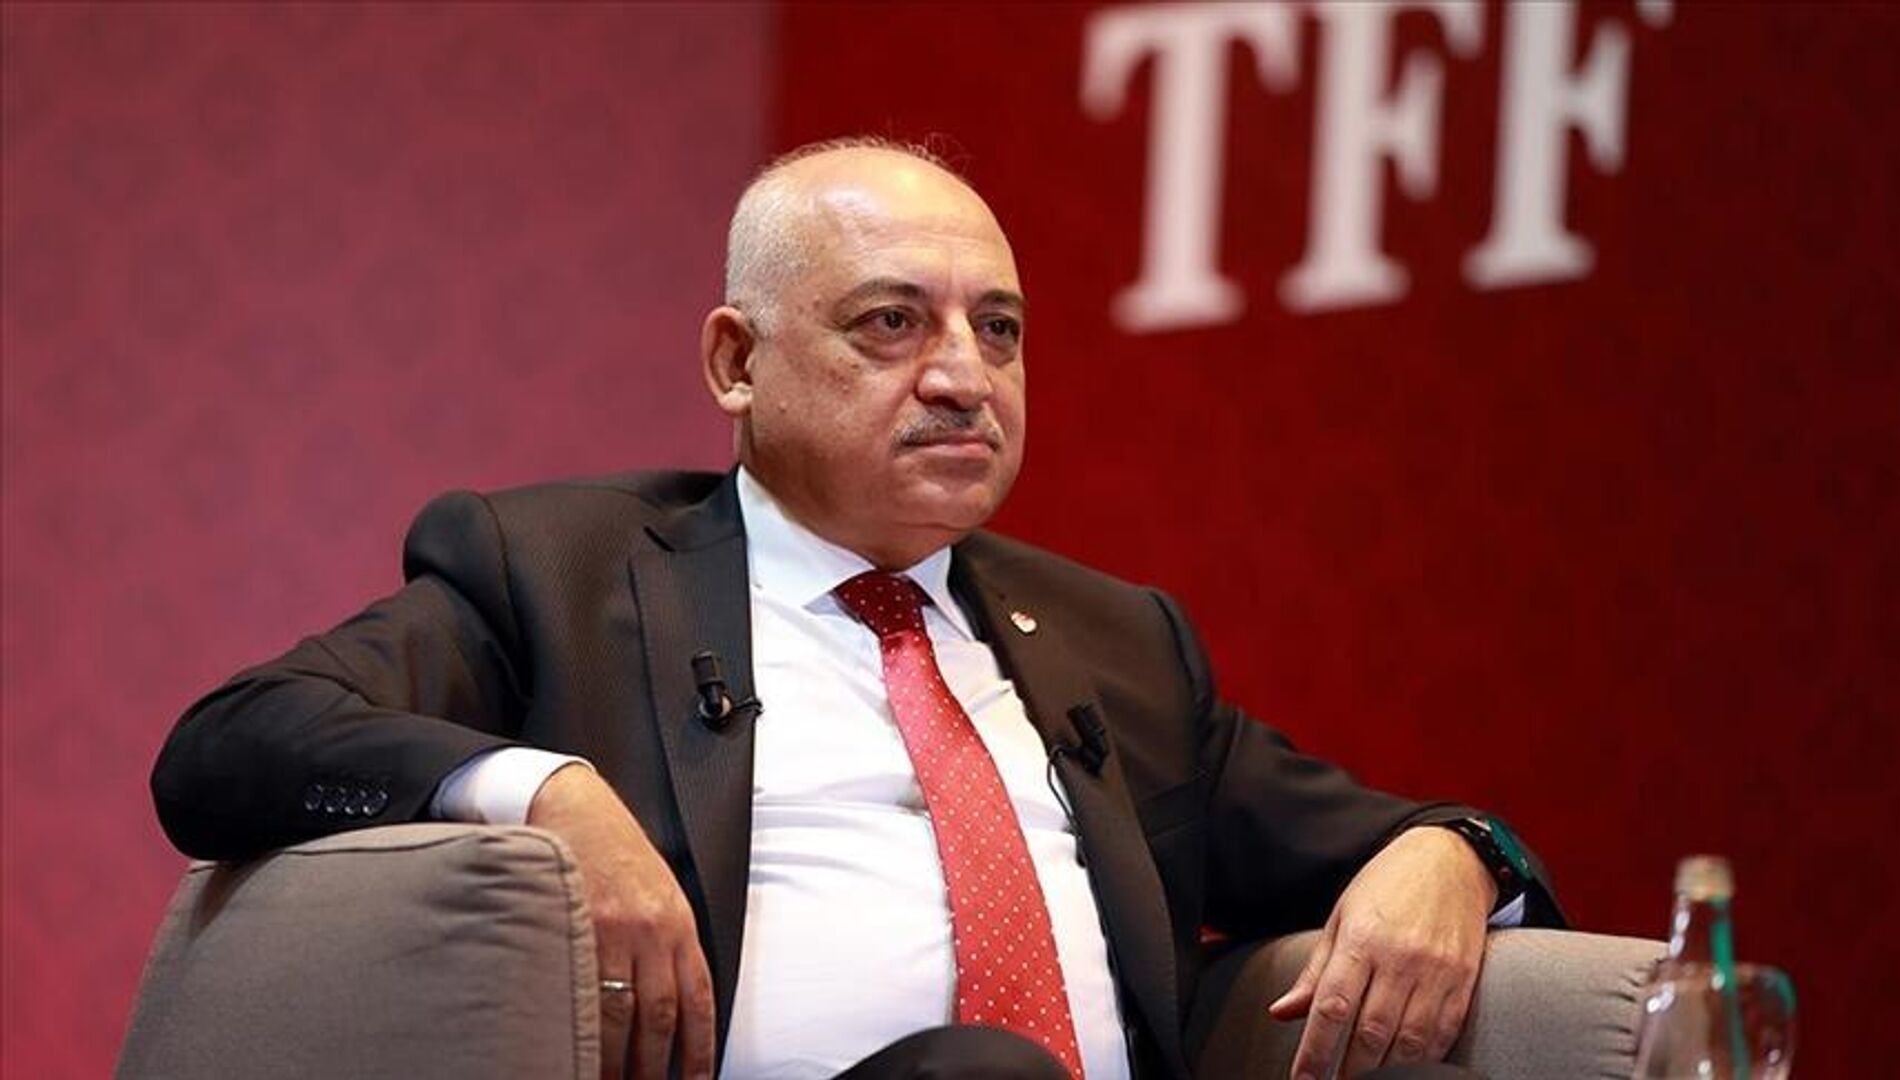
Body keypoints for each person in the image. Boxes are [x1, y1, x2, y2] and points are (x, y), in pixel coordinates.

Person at [151, 138, 1565, 1080]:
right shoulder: (558, 573)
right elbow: (233, 743)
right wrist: (550, 793)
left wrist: (1458, 855)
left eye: (998, 329)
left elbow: (1395, 833)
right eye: (893, 323)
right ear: (736, 363)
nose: (964, 376)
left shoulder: (1114, 642)